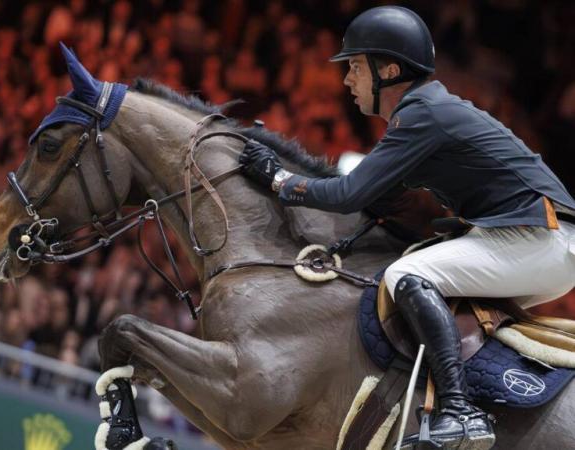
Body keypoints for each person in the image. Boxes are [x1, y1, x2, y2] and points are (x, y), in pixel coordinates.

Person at [239, 6, 575, 450]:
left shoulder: (423, 115)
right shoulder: (423, 113)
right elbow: (375, 197)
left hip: (540, 239)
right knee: (422, 283)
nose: (346, 80)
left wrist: (279, 180)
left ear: (389, 70)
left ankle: (458, 411)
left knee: (406, 276)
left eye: (355, 67)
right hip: (533, 238)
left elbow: (345, 194)